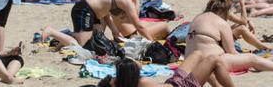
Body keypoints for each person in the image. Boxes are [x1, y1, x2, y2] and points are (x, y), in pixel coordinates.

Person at [185, 0, 273, 72]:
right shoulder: (221, 22)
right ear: (223, 11)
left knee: (251, 57)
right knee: (251, 58)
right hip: (210, 63)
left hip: (189, 63)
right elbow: (232, 52)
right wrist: (255, 58)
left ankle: (269, 59)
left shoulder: (197, 18)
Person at [98, 52, 238, 87]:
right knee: (213, 59)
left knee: (197, 54)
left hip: (173, 81)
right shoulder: (142, 82)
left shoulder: (124, 81)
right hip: (181, 86)